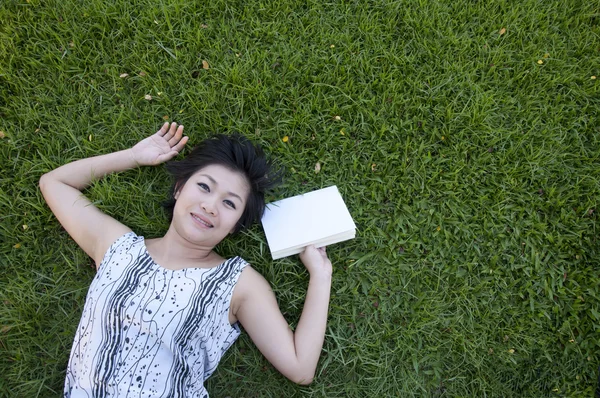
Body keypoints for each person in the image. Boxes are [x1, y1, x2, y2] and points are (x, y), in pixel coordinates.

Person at [39, 122, 333, 397]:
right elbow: (54, 183)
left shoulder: (236, 283)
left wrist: (321, 276)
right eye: (204, 186)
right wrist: (133, 156)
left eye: (229, 203)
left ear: (235, 224)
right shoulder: (117, 247)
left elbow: (299, 367)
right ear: (179, 188)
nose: (210, 205)